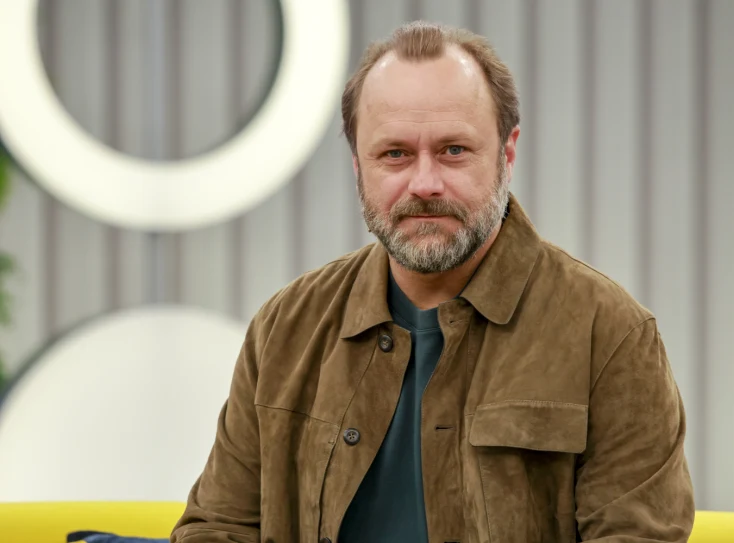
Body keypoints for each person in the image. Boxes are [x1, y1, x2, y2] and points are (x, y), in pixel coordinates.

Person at [171, 21, 695, 543]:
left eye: (453, 150)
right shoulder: (286, 326)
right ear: (358, 166)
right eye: (395, 154)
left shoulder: (609, 332)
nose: (424, 184)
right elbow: (218, 528)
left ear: (507, 153)